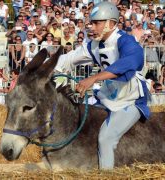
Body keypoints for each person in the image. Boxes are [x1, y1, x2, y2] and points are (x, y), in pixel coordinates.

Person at [55, 2, 149, 170]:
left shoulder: (125, 40)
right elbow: (66, 60)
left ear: (111, 23)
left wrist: (94, 78)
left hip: (131, 99)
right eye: (92, 22)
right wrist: (41, 71)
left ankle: (107, 175)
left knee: (106, 138)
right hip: (108, 96)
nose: (92, 26)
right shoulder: (93, 45)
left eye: (97, 22)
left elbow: (132, 61)